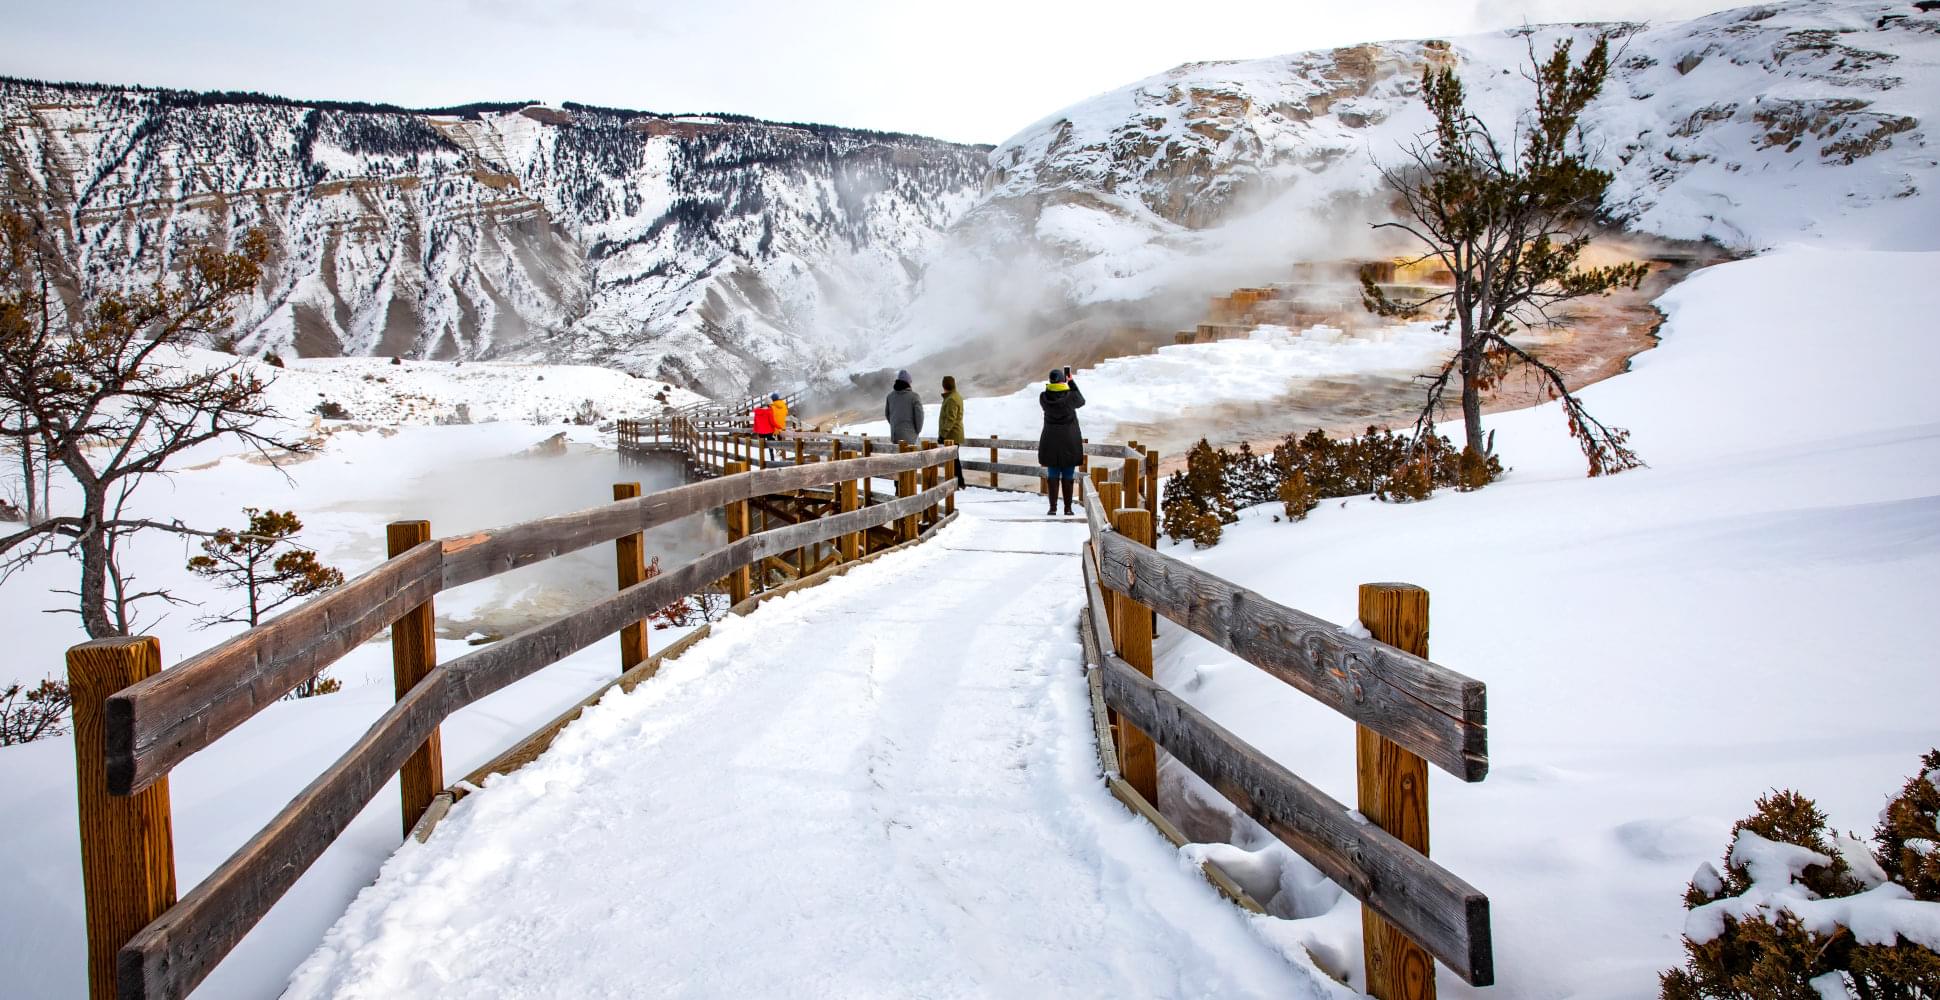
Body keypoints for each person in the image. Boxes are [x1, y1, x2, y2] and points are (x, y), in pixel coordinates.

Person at [1037, 366, 1085, 516]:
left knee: (1053, 474)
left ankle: (1052, 508)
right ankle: (1068, 508)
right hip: (1069, 441)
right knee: (1068, 475)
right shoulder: (1070, 397)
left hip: (1050, 440)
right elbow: (1081, 401)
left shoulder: (1044, 397)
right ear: (1063, 380)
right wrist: (1071, 382)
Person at [938, 375, 966, 487]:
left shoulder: (951, 399)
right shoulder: (955, 396)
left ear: (944, 386)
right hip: (954, 434)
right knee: (954, 458)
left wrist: (943, 435)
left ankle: (959, 482)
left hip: (952, 435)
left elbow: (950, 419)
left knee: (954, 459)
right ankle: (958, 482)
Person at [885, 369, 923, 445]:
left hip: (895, 437)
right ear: (908, 382)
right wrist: (917, 431)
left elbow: (887, 414)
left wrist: (895, 425)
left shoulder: (890, 397)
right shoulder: (914, 397)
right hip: (911, 439)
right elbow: (919, 417)